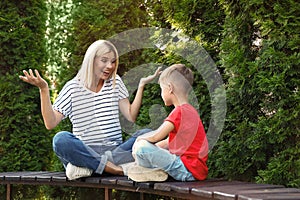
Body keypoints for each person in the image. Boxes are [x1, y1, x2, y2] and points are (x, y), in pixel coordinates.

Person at [19, 40, 161, 180]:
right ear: (91, 60)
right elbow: (50, 123)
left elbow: (130, 116)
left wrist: (141, 86)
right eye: (104, 60)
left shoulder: (115, 82)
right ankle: (114, 169)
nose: (110, 66)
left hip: (115, 152)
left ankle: (90, 167)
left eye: (113, 61)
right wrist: (44, 90)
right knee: (60, 140)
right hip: (86, 151)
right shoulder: (72, 88)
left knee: (148, 134)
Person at [127, 64, 209, 182]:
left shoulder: (179, 112)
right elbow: (168, 142)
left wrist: (140, 140)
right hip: (193, 170)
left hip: (186, 169)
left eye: (162, 89)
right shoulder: (190, 111)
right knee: (145, 148)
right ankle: (149, 170)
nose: (161, 94)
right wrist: (154, 148)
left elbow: (156, 135)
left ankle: (148, 170)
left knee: (142, 148)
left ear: (170, 88)